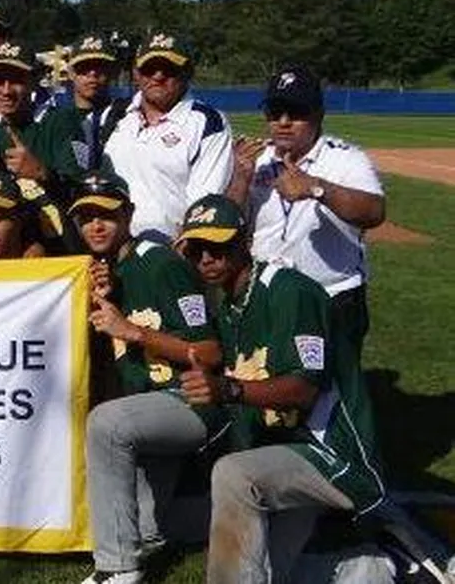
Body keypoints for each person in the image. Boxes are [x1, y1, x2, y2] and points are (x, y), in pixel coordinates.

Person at [174, 194, 389, 584]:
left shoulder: (290, 291)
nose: (206, 258)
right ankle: (367, 566)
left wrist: (227, 390)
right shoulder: (230, 305)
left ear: (246, 241)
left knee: (234, 475)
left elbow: (303, 389)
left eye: (217, 246)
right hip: (287, 450)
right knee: (273, 571)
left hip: (332, 454)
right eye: (195, 250)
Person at [68, 171, 226, 584]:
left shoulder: (162, 265)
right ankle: (257, 510)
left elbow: (210, 353)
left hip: (191, 400)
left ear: (129, 215)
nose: (95, 225)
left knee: (105, 424)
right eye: (85, 217)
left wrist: (134, 332)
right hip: (150, 413)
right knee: (152, 530)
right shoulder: (101, 274)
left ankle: (117, 568)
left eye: (106, 215)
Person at [226, 65, 385, 453]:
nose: (283, 122)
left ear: (318, 115)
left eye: (295, 113)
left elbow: (374, 211)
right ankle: (264, 463)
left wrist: (316, 188)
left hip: (331, 297)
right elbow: (227, 225)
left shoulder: (344, 158)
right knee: (266, 387)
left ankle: (346, 472)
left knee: (332, 400)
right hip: (268, 299)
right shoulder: (255, 160)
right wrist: (240, 179)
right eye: (274, 112)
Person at [104, 31, 234, 244]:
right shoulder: (114, 115)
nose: (158, 76)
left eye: (168, 68)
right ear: (136, 73)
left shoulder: (207, 123)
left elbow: (202, 205)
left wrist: (180, 251)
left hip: (169, 248)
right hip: (113, 247)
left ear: (187, 72)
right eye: (149, 68)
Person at [0, 42, 80, 198]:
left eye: (16, 80)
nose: (6, 91)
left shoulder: (62, 122)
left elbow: (79, 189)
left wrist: (42, 173)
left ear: (33, 82)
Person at [44, 34, 128, 171]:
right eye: (84, 67)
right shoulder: (54, 121)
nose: (92, 73)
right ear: (71, 72)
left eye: (100, 66)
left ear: (112, 71)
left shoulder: (127, 117)